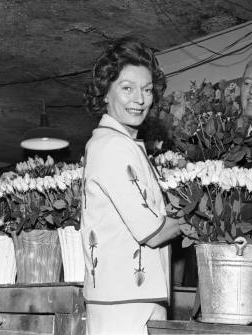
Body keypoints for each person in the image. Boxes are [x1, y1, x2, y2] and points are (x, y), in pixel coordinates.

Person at [81, 38, 181, 335]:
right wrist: (201, 213)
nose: (139, 99)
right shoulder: (112, 146)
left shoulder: (121, 144)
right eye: (127, 88)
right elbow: (151, 231)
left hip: (126, 300)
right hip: (125, 305)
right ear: (105, 94)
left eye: (147, 89)